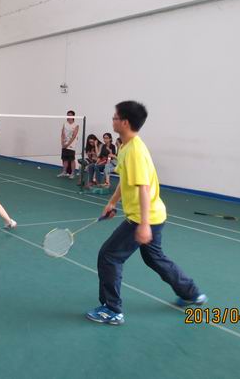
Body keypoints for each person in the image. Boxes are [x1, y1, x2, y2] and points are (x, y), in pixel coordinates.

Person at [86, 101, 206, 325]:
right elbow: (126, 180)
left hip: (144, 217)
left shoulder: (135, 151)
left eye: (115, 117)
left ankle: (112, 309)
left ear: (125, 122)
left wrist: (143, 224)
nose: (112, 120)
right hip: (154, 215)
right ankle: (191, 293)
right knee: (154, 258)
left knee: (109, 256)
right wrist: (112, 202)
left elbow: (143, 187)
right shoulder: (125, 146)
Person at [58, 110, 79, 179]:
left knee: (72, 159)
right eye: (68, 115)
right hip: (64, 144)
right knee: (65, 159)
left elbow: (74, 136)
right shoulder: (65, 124)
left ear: (73, 116)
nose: (68, 116)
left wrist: (68, 144)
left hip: (71, 145)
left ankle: (72, 173)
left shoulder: (76, 125)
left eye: (70, 115)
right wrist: (62, 142)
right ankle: (64, 172)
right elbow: (62, 134)